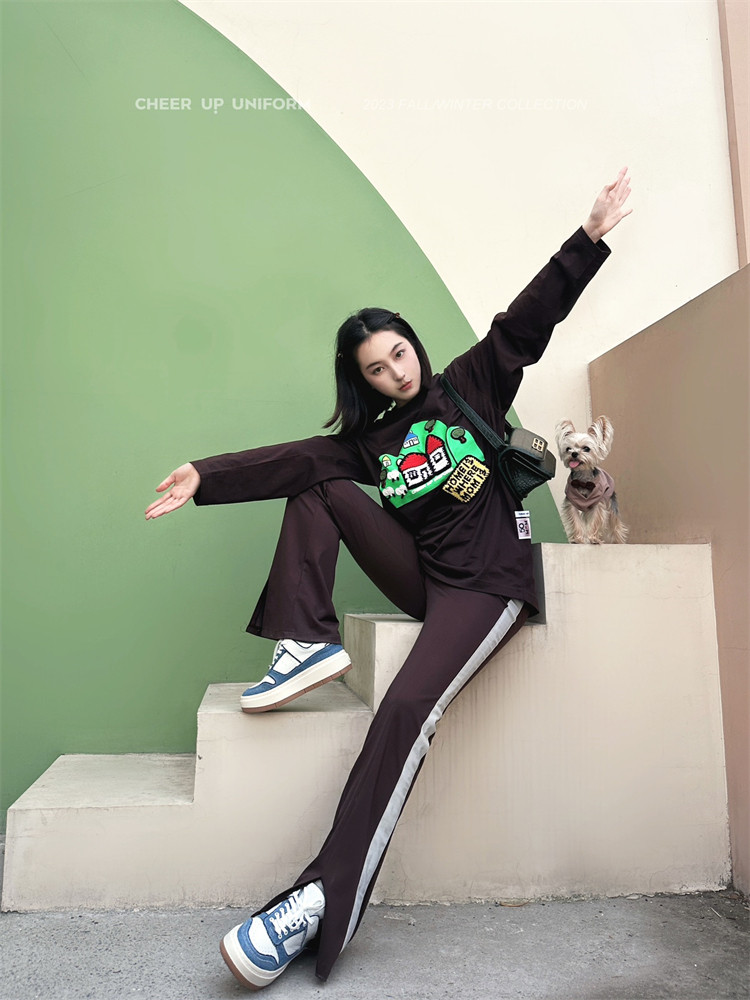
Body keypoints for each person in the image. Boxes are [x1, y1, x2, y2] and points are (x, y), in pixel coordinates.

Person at [145, 169, 632, 990]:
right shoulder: (372, 443)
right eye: (376, 369)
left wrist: (586, 239)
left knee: (406, 709)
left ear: (414, 345)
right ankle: (307, 642)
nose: (396, 373)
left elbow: (526, 323)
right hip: (427, 578)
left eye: (399, 354)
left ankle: (315, 900)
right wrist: (204, 474)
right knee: (317, 483)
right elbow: (291, 459)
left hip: (487, 586)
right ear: (362, 380)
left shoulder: (470, 384)